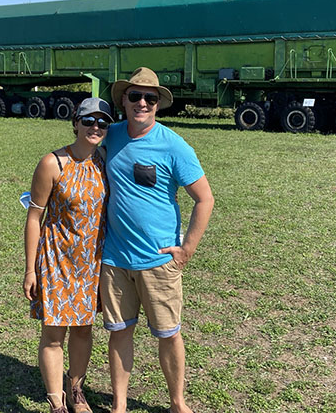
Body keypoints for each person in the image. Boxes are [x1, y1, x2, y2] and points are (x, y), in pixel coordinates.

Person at [101, 67, 215, 413]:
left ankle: (178, 403)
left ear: (157, 104)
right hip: (114, 259)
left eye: (150, 98)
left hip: (158, 261)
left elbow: (204, 199)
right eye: (135, 96)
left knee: (168, 334)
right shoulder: (109, 135)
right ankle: (120, 405)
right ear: (123, 100)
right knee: (120, 332)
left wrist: (187, 249)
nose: (142, 103)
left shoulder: (174, 145)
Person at [23, 97, 114, 413]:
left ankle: (76, 391)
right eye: (88, 120)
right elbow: (34, 217)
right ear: (75, 123)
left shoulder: (104, 160)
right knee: (53, 333)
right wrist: (30, 269)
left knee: (84, 329)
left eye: (102, 122)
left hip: (91, 262)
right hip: (56, 260)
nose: (95, 127)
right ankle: (56, 401)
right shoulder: (53, 163)